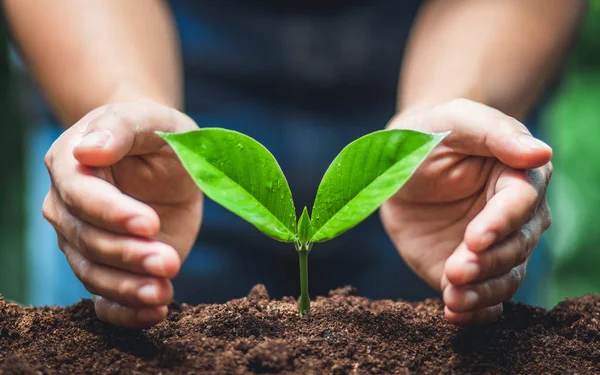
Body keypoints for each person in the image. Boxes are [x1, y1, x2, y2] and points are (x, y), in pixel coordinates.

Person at [4, 0, 583, 328]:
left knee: (472, 339)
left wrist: (453, 108)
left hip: (442, 153)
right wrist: (121, 106)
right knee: (126, 325)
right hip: (156, 121)